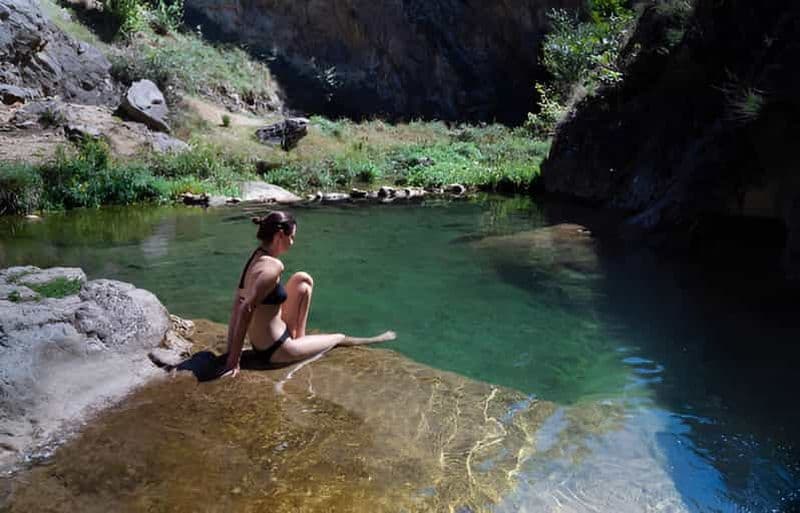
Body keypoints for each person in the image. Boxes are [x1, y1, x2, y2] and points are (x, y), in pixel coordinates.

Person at [222, 210, 396, 377]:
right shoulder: (273, 268)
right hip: (276, 350)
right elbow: (246, 308)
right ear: (280, 235)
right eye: (292, 237)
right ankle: (375, 339)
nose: (292, 242)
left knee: (302, 280)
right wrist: (233, 359)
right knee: (337, 338)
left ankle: (301, 339)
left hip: (274, 336)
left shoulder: (256, 257)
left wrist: (230, 348)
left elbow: (238, 301)